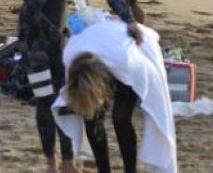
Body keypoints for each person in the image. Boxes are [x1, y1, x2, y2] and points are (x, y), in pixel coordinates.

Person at [18, 0, 140, 173]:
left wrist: (129, 20)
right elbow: (31, 12)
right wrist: (58, 37)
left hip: (60, 34)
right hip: (35, 39)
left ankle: (68, 160)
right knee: (45, 101)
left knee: (67, 98)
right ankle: (51, 161)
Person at [54, 21, 178, 173]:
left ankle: (130, 170)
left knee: (121, 118)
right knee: (92, 116)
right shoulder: (70, 55)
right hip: (100, 47)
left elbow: (152, 89)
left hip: (132, 47)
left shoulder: (128, 62)